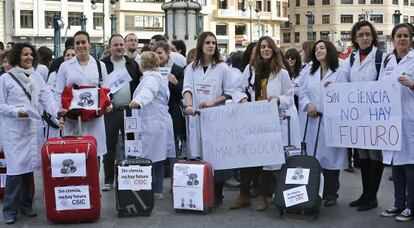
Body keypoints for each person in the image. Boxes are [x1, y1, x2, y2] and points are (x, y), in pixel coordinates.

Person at [230, 36, 300, 211]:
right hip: (252, 119)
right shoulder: (250, 69)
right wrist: (242, 99)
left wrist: (278, 98)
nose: (266, 49)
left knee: (267, 159)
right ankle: (244, 194)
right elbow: (237, 89)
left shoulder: (282, 72)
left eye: (269, 46)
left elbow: (289, 97)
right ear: (258, 50)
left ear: (274, 50)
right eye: (263, 47)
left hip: (271, 120)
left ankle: (263, 195)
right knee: (247, 157)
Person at [0, 42, 62, 225]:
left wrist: (57, 112)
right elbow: (1, 105)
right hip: (15, 131)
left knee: (28, 170)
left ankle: (26, 205)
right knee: (15, 170)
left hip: (33, 129)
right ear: (17, 56)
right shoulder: (5, 79)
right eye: (25, 54)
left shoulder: (36, 77)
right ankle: (9, 210)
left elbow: (47, 97)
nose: (28, 58)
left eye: (31, 55)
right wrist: (16, 111)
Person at [182, 31, 242, 207]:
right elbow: (187, 89)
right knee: (198, 153)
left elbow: (229, 92)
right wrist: (189, 105)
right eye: (207, 42)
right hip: (196, 116)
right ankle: (201, 191)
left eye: (214, 43)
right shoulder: (191, 68)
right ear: (201, 45)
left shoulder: (222, 68)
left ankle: (218, 194)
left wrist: (212, 102)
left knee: (217, 157)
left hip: (216, 117)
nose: (211, 46)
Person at [342, 20, 386, 211]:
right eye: (361, 35)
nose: (365, 38)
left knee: (375, 153)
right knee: (362, 154)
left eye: (368, 34)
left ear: (373, 36)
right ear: (355, 38)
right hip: (357, 115)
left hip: (375, 115)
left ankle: (372, 197)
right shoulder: (350, 59)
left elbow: (385, 85)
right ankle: (365, 193)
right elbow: (342, 80)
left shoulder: (381, 57)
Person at [300, 40, 348, 207]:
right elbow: (303, 92)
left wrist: (334, 89)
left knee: (332, 160)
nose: (319, 50)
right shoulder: (310, 72)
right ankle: (315, 191)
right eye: (317, 49)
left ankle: (331, 193)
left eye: (322, 48)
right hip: (313, 120)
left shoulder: (340, 72)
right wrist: (308, 105)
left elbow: (346, 95)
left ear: (330, 51)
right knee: (315, 158)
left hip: (331, 120)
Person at [56, 31, 111, 157]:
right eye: (77, 43)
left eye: (83, 42)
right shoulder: (65, 66)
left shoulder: (99, 65)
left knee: (93, 155)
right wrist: (59, 111)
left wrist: (108, 104)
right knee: (75, 155)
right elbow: (58, 92)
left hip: (94, 120)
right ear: (74, 46)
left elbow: (107, 89)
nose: (81, 46)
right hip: (72, 118)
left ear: (89, 44)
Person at [129, 51, 175, 200]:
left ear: (143, 64)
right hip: (155, 122)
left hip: (153, 123)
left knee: (154, 159)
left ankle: (155, 189)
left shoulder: (152, 79)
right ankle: (156, 188)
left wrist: (138, 102)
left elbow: (148, 92)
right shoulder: (154, 77)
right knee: (157, 157)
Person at [380, 23, 414, 222]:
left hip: (410, 120)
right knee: (396, 166)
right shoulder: (389, 60)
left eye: (406, 35)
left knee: (410, 165)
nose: (402, 39)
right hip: (391, 121)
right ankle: (398, 203)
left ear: (411, 39)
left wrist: (412, 84)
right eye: (398, 35)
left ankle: (411, 206)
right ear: (393, 39)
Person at [101, 34, 141, 191]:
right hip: (110, 112)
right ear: (110, 47)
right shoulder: (103, 65)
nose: (118, 47)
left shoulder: (132, 64)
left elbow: (138, 84)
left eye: (120, 44)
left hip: (129, 111)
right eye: (115, 45)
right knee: (109, 147)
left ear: (124, 46)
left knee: (132, 145)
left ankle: (130, 176)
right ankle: (109, 180)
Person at [152, 41, 185, 156]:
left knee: (172, 144)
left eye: (160, 53)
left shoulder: (178, 70)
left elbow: (183, 93)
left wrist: (176, 83)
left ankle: (172, 169)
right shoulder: (150, 71)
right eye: (155, 53)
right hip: (155, 113)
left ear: (167, 54)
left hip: (173, 111)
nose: (157, 56)